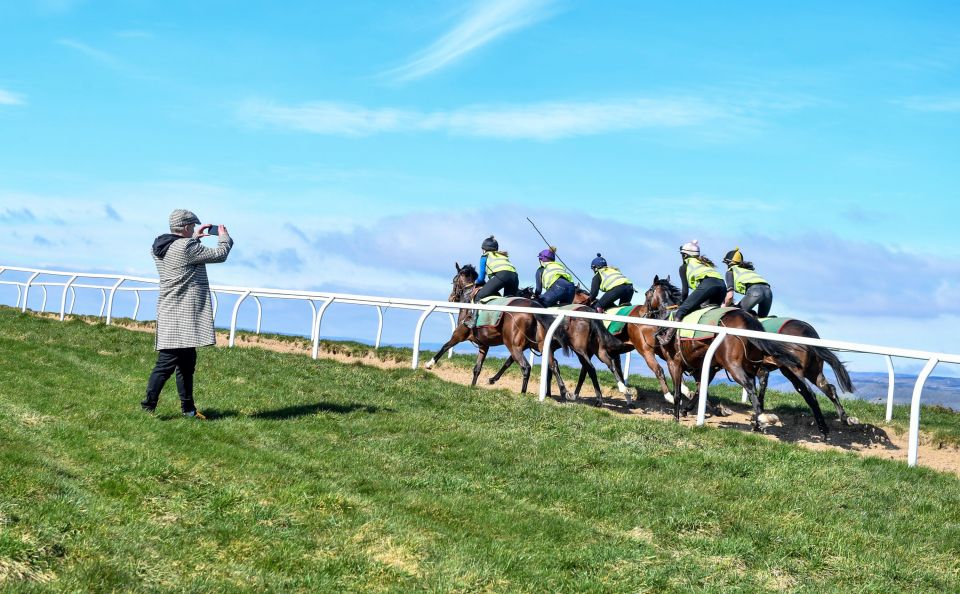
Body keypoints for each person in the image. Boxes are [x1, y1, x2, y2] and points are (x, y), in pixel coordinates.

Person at [142, 209, 234, 418]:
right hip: (183, 314)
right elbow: (220, 255)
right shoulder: (186, 247)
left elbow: (181, 252)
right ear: (185, 227)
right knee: (166, 365)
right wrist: (223, 236)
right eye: (191, 227)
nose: (193, 229)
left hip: (170, 311)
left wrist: (193, 237)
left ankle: (189, 410)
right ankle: (147, 407)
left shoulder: (160, 247)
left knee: (186, 363)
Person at [657, 240, 725, 345]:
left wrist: (681, 304)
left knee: (682, 310)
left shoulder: (684, 267)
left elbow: (685, 291)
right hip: (722, 287)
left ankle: (667, 337)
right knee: (706, 309)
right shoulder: (704, 263)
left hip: (709, 285)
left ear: (685, 255)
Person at [722, 247, 773, 317]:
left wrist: (723, 309)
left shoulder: (730, 271)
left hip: (755, 292)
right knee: (761, 321)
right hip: (769, 293)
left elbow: (730, 296)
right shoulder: (748, 270)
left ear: (729, 263)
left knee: (735, 316)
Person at [473, 236, 519, 302]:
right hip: (514, 277)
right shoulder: (502, 255)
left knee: (479, 296)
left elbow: (481, 278)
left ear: (484, 249)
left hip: (503, 275)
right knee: (507, 302)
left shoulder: (485, 256)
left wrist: (474, 283)